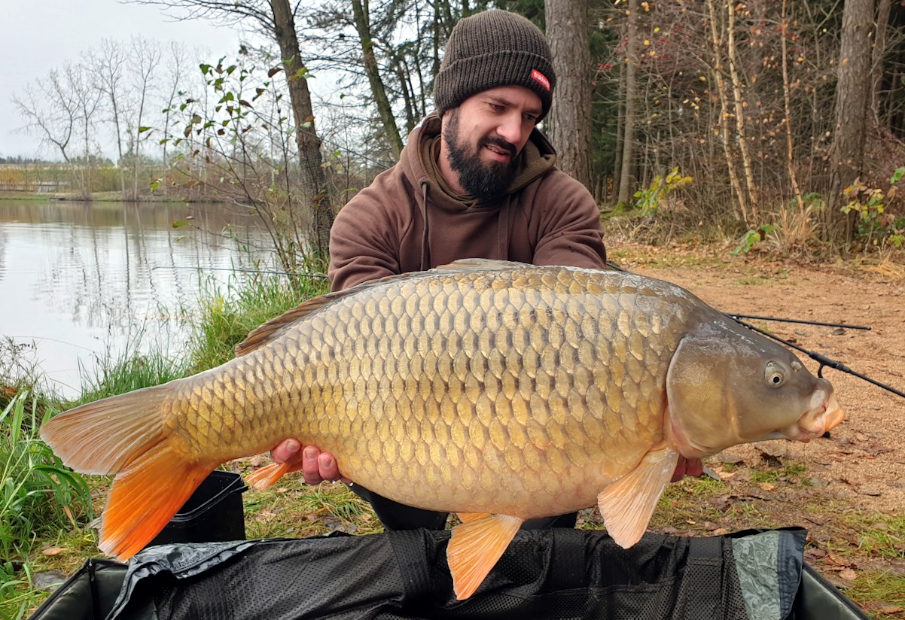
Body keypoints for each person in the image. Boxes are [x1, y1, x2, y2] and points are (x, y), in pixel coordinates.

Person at [269, 9, 702, 531]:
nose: (513, 131)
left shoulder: (564, 204)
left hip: (536, 424)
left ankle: (524, 562)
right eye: (497, 106)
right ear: (450, 102)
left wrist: (649, 433)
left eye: (530, 117)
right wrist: (321, 434)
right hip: (401, 420)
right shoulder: (371, 216)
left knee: (546, 518)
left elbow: (585, 341)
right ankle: (420, 543)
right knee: (385, 475)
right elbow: (360, 355)